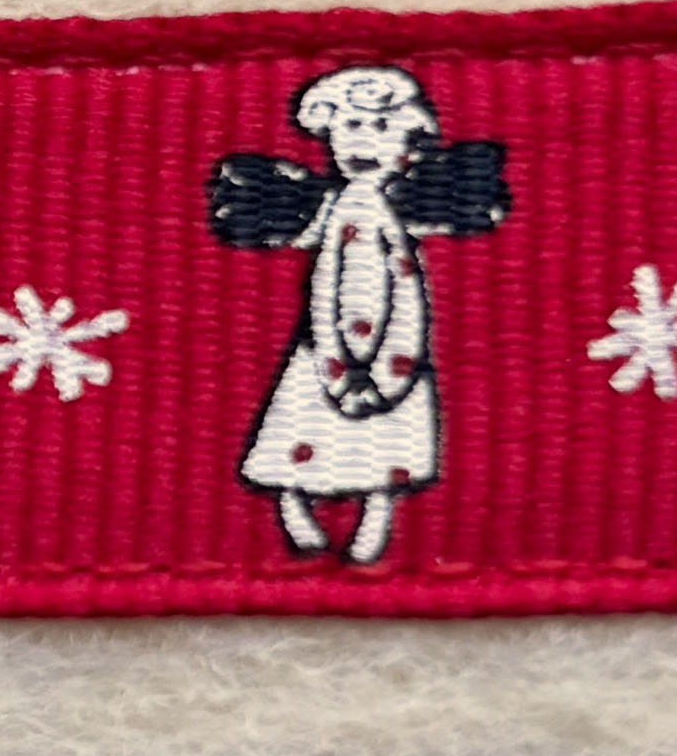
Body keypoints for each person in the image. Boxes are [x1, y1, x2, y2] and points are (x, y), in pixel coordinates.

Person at [209, 64, 508, 564]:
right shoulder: (334, 213)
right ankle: (295, 514)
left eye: (382, 126)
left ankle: (374, 521)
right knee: (301, 434)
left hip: (392, 358)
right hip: (323, 354)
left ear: (410, 139)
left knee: (382, 441)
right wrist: (337, 368)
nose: (362, 141)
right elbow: (326, 290)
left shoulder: (389, 214)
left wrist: (391, 370)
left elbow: (406, 295)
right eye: (349, 125)